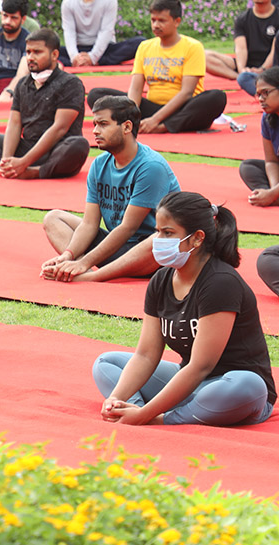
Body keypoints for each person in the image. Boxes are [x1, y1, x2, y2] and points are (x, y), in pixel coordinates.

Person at [93, 191, 276, 426]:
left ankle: (162, 417)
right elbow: (146, 355)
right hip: (191, 383)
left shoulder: (220, 282)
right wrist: (117, 398)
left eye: (168, 233)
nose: (158, 240)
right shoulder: (160, 280)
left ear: (197, 238)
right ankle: (132, 409)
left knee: (246, 386)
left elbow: (202, 366)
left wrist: (148, 415)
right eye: (157, 231)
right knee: (106, 363)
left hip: (229, 387)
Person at [40, 95, 180, 282]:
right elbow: (89, 224)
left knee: (160, 240)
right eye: (95, 124)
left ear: (127, 127)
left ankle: (90, 276)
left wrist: (86, 261)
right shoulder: (99, 165)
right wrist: (69, 255)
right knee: (53, 218)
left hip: (148, 253)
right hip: (116, 247)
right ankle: (78, 270)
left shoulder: (151, 166)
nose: (96, 131)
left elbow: (128, 228)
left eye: (103, 124)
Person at [86, 0, 227, 134]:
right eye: (153, 20)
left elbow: (186, 93)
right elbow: (135, 89)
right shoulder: (145, 47)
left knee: (217, 97)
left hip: (184, 109)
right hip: (151, 108)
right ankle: (146, 124)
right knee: (97, 95)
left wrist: (155, 120)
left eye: (161, 21)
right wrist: (131, 117)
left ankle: (165, 126)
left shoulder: (193, 47)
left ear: (177, 21)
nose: (156, 25)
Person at [0, 29, 89, 179]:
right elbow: (14, 124)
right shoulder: (22, 84)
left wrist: (24, 162)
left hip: (57, 150)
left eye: (37, 52)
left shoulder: (70, 83)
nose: (30, 57)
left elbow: (59, 128)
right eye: (28, 52)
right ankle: (10, 169)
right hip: (27, 146)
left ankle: (35, 171)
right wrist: (6, 159)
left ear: (54, 55)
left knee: (79, 145)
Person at [59, 0, 144, 67]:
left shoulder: (109, 0)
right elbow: (69, 32)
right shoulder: (68, 3)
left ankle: (96, 61)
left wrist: (92, 57)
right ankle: (86, 62)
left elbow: (106, 31)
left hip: (105, 49)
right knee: (47, 49)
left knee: (140, 43)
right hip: (78, 48)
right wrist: (74, 57)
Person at [207, 0, 279, 96]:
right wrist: (242, 70)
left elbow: (274, 52)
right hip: (248, 65)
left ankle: (255, 83)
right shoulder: (243, 18)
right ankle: (242, 79)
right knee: (204, 56)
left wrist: (262, 70)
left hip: (272, 66)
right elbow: (241, 48)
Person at [240, 67, 279, 210]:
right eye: (258, 95)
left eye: (266, 93)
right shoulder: (267, 118)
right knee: (248, 167)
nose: (261, 99)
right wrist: (273, 191)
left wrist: (273, 193)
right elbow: (271, 161)